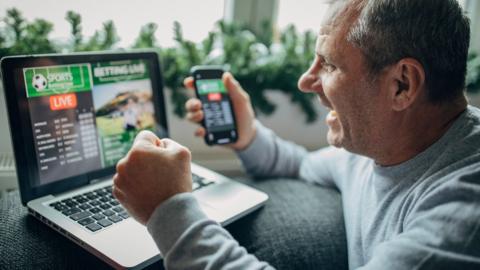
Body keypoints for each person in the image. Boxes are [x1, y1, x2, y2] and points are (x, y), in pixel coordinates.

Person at [112, 0, 480, 269]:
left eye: (330, 63)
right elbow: (302, 165)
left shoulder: (459, 219)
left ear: (402, 85)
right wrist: (248, 136)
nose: (306, 80)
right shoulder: (379, 148)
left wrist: (170, 210)